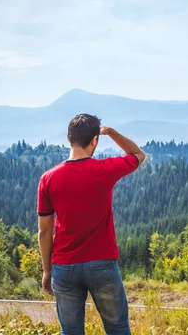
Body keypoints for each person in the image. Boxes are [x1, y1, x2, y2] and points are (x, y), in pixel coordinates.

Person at [37, 113, 146, 335]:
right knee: (117, 328)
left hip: (64, 266)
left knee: (71, 331)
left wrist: (47, 270)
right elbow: (138, 155)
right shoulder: (105, 170)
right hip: (102, 264)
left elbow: (44, 231)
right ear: (95, 141)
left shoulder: (48, 179)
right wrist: (112, 133)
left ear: (69, 137)